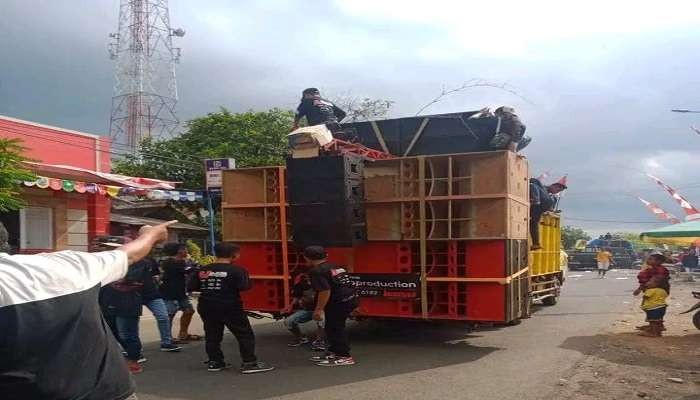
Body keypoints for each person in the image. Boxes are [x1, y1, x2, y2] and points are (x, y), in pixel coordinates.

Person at [0, 220, 176, 400]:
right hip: (112, 392)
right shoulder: (69, 263)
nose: (98, 248)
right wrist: (151, 234)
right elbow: (130, 253)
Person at [189, 242, 274, 373]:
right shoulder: (237, 270)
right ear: (234, 255)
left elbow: (191, 287)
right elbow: (244, 287)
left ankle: (215, 362)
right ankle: (249, 363)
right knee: (244, 334)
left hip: (206, 305)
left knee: (212, 334)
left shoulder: (202, 270)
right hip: (229, 305)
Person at [304, 245, 359, 367]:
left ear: (307, 258)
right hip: (349, 299)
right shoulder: (336, 266)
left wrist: (318, 310)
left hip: (337, 302)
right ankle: (333, 351)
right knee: (331, 327)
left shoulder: (316, 271)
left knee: (336, 328)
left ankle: (344, 356)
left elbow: (324, 291)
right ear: (326, 255)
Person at [138, 255, 182, 352]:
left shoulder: (149, 260)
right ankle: (133, 348)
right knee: (132, 322)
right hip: (132, 294)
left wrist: (156, 283)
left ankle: (166, 343)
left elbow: (156, 275)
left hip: (151, 293)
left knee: (163, 316)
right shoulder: (124, 261)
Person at [160, 242, 200, 342]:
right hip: (168, 293)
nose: (187, 251)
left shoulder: (182, 261)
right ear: (179, 251)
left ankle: (183, 334)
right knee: (170, 315)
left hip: (180, 292)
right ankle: (167, 338)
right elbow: (188, 270)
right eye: (185, 249)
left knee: (189, 311)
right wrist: (194, 265)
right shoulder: (169, 262)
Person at [282, 269, 326, 350]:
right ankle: (301, 338)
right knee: (288, 322)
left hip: (321, 309)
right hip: (308, 309)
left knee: (321, 321)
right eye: (306, 277)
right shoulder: (300, 285)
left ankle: (320, 341)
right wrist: (290, 306)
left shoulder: (322, 284)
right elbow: (297, 297)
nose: (308, 278)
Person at [529, 180, 567, 250]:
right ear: (553, 185)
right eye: (557, 189)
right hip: (540, 207)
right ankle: (536, 243)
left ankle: (535, 200)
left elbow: (533, 182)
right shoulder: (542, 187)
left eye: (559, 191)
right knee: (534, 223)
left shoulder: (547, 193)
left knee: (532, 184)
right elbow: (534, 181)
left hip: (541, 202)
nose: (557, 192)